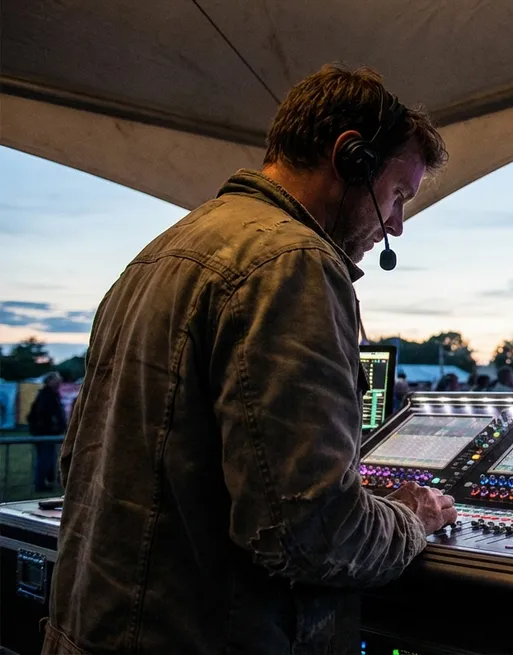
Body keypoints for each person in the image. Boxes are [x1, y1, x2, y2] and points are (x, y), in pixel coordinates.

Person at [45, 66, 456, 654]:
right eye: (396, 196)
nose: (394, 225)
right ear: (351, 158)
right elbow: (313, 534)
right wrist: (411, 516)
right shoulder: (293, 264)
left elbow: (78, 462)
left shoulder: (156, 256)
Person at [27, 372, 68, 492]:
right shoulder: (46, 396)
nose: (59, 382)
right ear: (49, 381)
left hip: (47, 432)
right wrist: (54, 426)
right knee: (45, 459)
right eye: (56, 380)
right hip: (45, 433)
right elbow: (43, 414)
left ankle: (48, 481)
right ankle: (40, 484)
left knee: (48, 458)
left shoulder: (51, 395)